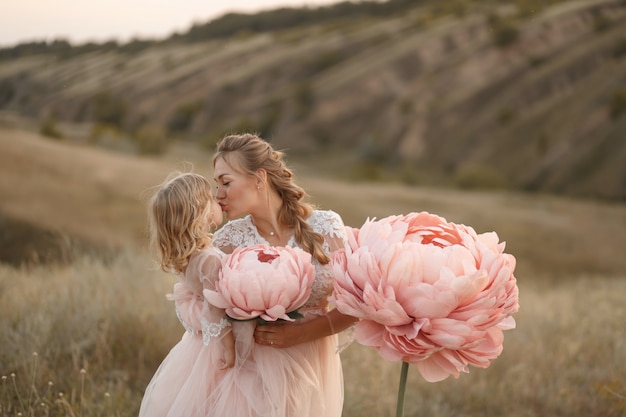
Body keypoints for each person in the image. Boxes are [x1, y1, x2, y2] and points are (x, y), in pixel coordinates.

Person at [208, 133, 358, 417]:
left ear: (259, 178)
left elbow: (359, 303)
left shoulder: (326, 227)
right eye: (217, 185)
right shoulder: (227, 241)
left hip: (311, 368)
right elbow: (208, 310)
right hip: (247, 377)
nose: (218, 195)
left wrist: (303, 332)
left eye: (226, 183)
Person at [139, 172, 236, 417]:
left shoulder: (190, 255)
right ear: (199, 211)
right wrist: (229, 347)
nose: (219, 201)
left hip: (196, 348)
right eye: (212, 199)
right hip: (218, 347)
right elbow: (215, 308)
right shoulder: (209, 258)